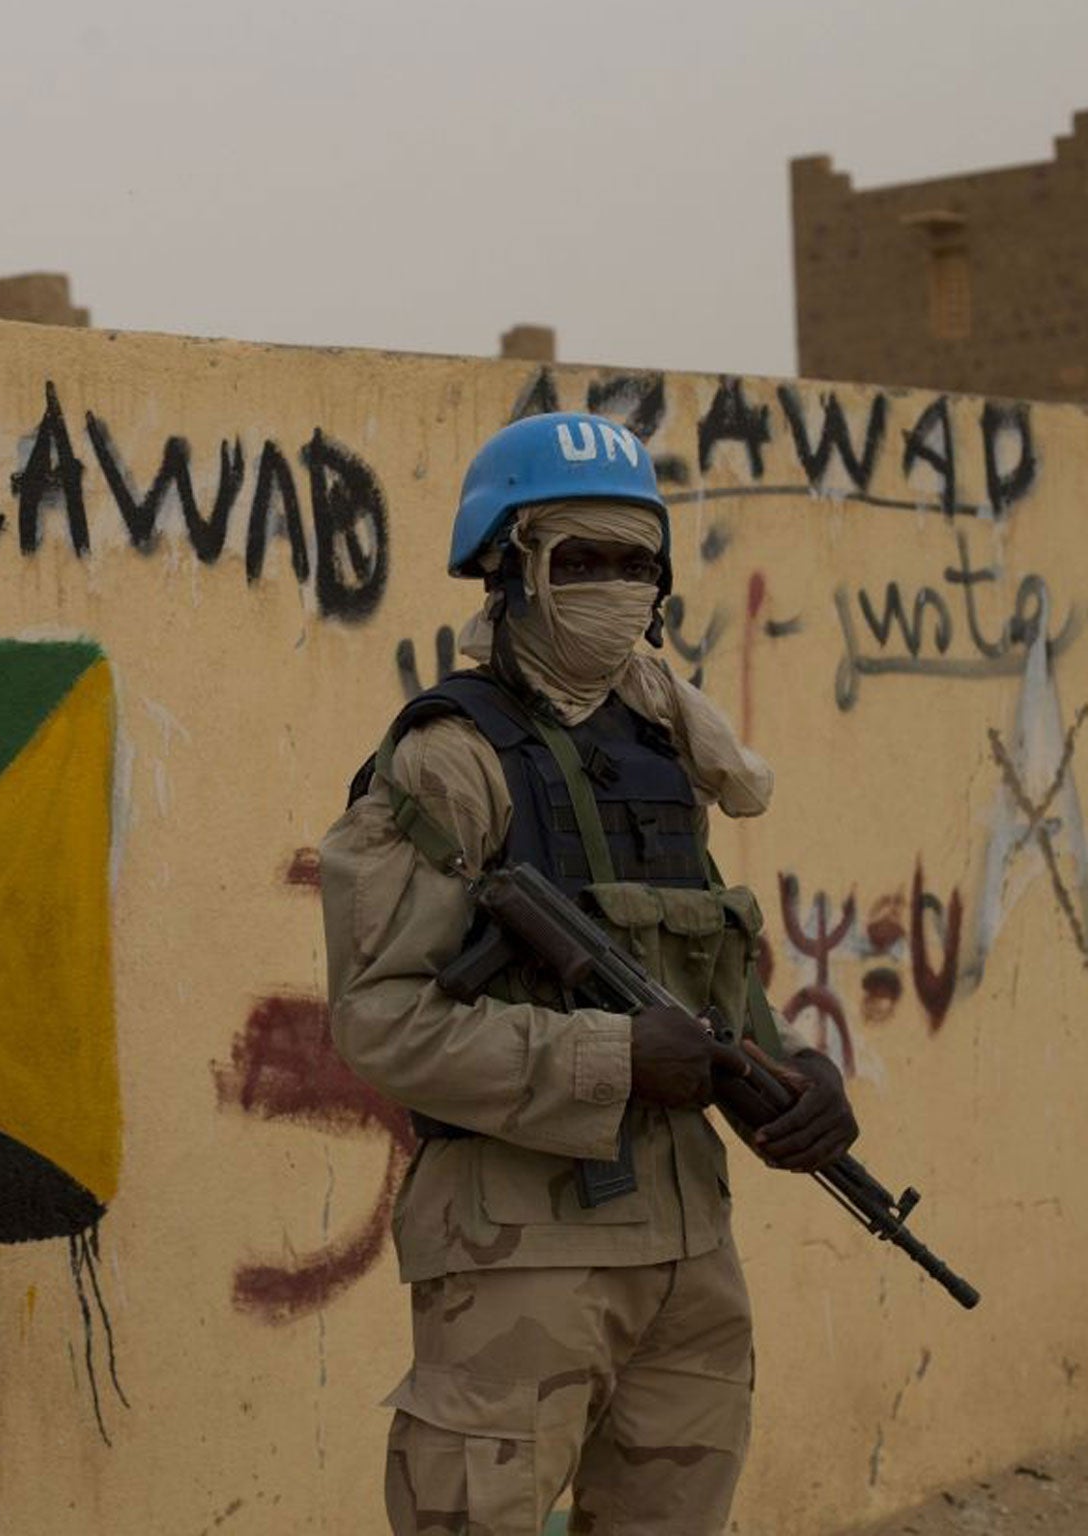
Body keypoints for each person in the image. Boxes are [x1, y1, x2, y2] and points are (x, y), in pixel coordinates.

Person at [319, 411, 860, 1535]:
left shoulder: (657, 751)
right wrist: (610, 1056)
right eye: (581, 560)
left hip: (687, 1252)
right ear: (509, 570)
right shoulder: (447, 760)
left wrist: (795, 1073)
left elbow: (714, 983)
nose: (614, 587)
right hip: (518, 1259)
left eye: (635, 563)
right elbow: (382, 1024)